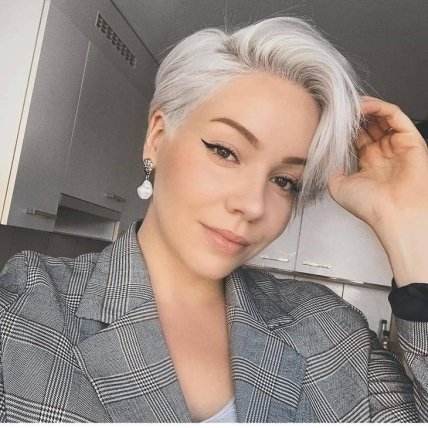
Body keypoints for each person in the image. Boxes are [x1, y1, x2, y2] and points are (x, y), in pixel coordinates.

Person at [1, 16, 428, 423]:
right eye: (225, 152)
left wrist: (407, 221)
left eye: (285, 181)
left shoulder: (328, 329)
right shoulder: (28, 307)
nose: (253, 205)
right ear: (157, 137)